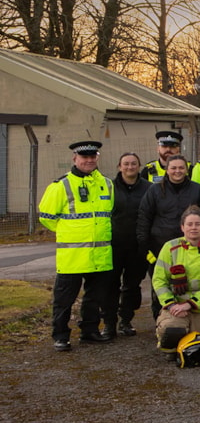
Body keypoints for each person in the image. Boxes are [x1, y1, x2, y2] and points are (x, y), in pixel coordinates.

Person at [39, 140, 115, 350]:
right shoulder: (60, 185)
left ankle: (90, 331)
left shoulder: (107, 184)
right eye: (84, 157)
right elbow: (47, 217)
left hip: (99, 255)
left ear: (97, 158)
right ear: (75, 159)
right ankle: (61, 336)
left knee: (94, 298)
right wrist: (69, 232)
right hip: (72, 256)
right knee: (64, 299)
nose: (89, 161)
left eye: (92, 157)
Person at [137, 154, 200, 320]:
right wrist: (145, 248)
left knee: (193, 285)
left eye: (181, 168)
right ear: (167, 169)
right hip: (160, 249)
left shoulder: (197, 190)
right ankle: (162, 321)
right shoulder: (154, 190)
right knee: (161, 287)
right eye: (173, 168)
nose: (177, 171)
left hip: (192, 250)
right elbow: (144, 219)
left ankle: (193, 319)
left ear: (186, 170)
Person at [152, 205, 200, 352]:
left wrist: (191, 304)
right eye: (189, 224)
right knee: (172, 331)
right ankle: (170, 348)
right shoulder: (169, 248)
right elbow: (159, 280)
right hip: (176, 307)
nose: (193, 228)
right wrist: (171, 305)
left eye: (198, 224)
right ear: (182, 227)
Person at [104, 151, 151, 337]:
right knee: (110, 285)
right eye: (126, 164)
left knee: (132, 285)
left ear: (138, 166)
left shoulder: (149, 188)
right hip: (113, 245)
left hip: (138, 247)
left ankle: (126, 320)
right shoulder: (108, 187)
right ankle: (109, 323)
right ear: (119, 167)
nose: (130, 167)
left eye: (133, 164)